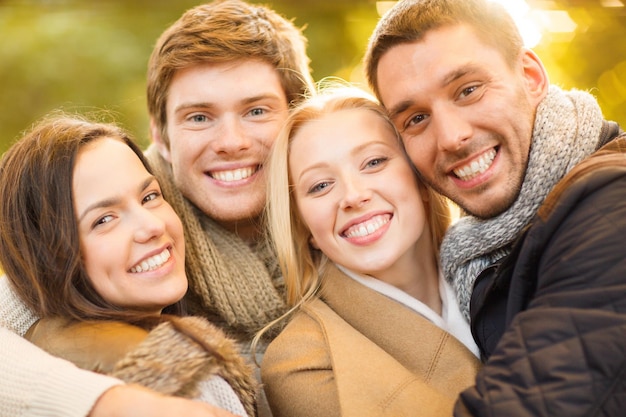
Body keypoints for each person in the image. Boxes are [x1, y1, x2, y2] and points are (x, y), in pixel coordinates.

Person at [0, 1, 314, 416]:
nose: (231, 141)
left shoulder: (346, 210)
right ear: (161, 136)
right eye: (199, 117)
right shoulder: (128, 205)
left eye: (256, 111)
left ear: (301, 118)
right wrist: (109, 403)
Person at [363, 0, 626, 415]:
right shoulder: (478, 254)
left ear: (530, 75)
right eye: (415, 118)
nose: (450, 137)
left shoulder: (611, 203)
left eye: (468, 90)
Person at [0, 114, 258, 417]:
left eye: (149, 196)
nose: (151, 225)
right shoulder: (186, 385)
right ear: (49, 259)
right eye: (104, 219)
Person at [258, 86, 481, 417]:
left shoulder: (510, 267)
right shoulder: (302, 362)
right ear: (305, 228)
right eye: (320, 185)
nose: (353, 195)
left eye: (374, 162)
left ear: (420, 177)